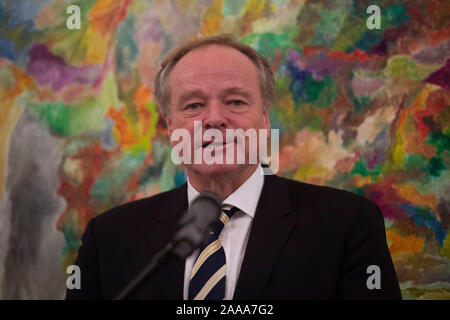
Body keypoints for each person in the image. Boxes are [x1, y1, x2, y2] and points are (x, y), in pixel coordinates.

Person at [66, 34, 401, 300]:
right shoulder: (107, 238)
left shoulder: (348, 224)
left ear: (265, 120)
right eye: (194, 105)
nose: (214, 119)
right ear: (171, 127)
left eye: (236, 102)